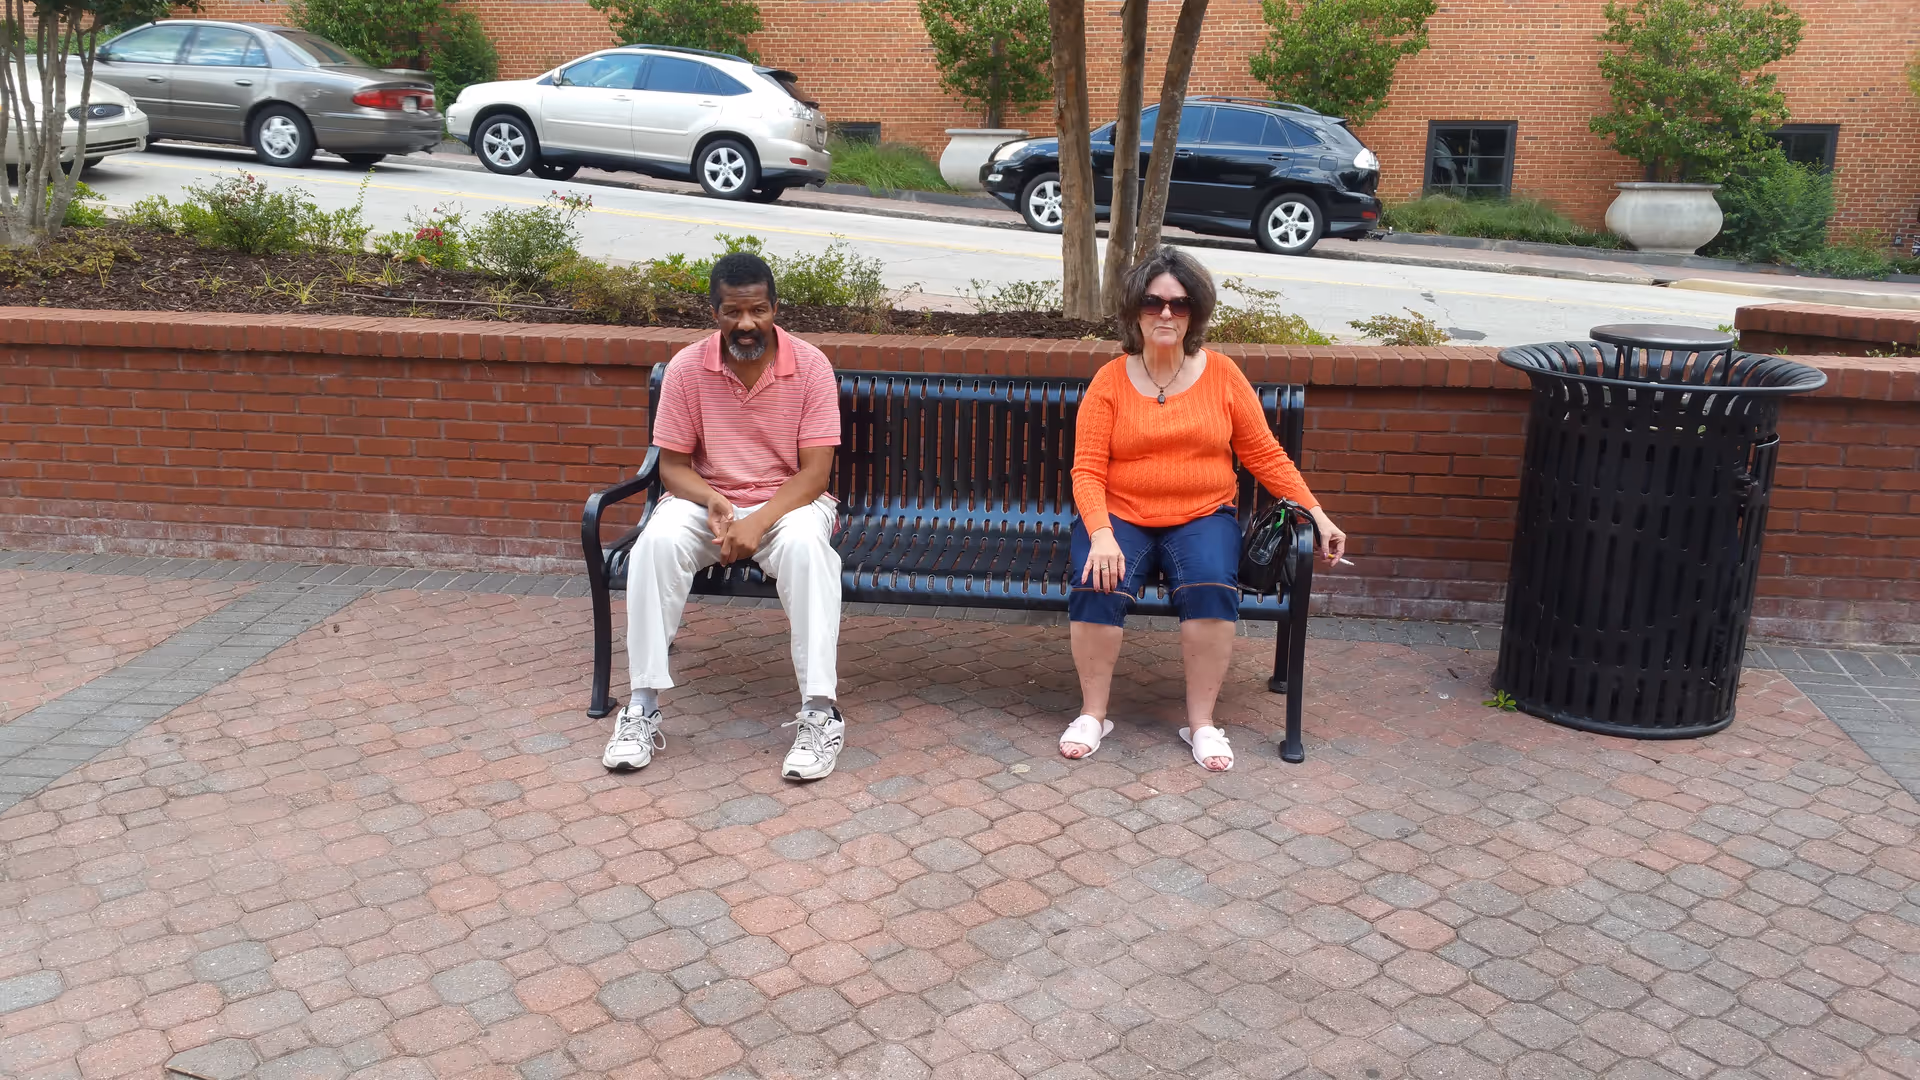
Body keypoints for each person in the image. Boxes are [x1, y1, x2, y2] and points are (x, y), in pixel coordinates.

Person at [1061, 246, 1348, 772]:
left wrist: (1317, 514)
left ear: (1196, 312)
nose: (1166, 314)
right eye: (1152, 303)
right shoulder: (1110, 381)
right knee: (1096, 582)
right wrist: (1100, 534)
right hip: (1122, 513)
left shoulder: (1221, 375)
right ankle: (1093, 714)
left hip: (1202, 514)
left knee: (1213, 586)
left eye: (1179, 303)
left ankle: (1201, 723)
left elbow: (1263, 453)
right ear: (1133, 311)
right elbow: (1087, 470)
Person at [610, 252, 847, 781]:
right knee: (655, 545)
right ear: (714, 312)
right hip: (707, 502)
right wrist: (714, 501)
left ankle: (820, 713)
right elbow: (671, 466)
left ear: (774, 308)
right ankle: (641, 706)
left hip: (790, 504)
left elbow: (814, 476)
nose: (746, 324)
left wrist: (757, 522)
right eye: (733, 312)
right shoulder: (688, 368)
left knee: (811, 554)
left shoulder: (810, 366)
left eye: (758, 311)